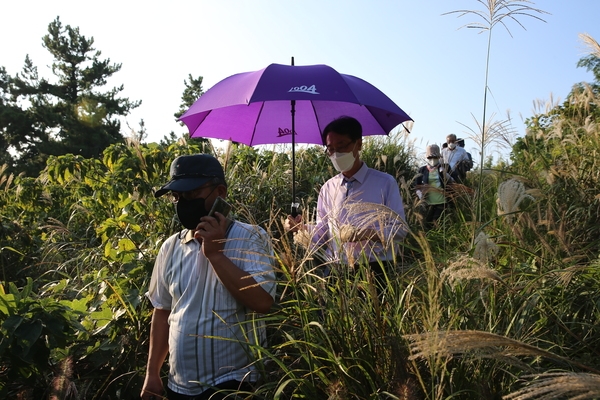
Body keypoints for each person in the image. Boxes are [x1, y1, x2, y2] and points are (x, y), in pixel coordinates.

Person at [141, 154, 276, 400]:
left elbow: (263, 302)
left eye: (191, 195)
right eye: (177, 197)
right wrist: (152, 373)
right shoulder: (171, 247)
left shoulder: (250, 237)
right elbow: (162, 312)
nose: (183, 203)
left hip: (234, 385)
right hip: (179, 385)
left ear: (220, 192)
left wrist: (215, 254)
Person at [285, 116, 408, 279]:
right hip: (335, 269)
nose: (336, 154)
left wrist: (367, 233)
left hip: (375, 269)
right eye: (330, 149)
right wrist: (302, 228)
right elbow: (324, 232)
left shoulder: (384, 183)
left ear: (358, 144)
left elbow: (400, 229)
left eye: (341, 146)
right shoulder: (328, 188)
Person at [414, 144, 455, 229]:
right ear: (427, 158)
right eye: (430, 158)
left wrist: (446, 175)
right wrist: (419, 194)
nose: (433, 160)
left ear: (439, 157)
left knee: (437, 222)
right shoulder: (422, 170)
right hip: (428, 201)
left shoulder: (445, 167)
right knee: (427, 224)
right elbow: (416, 185)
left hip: (442, 200)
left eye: (435, 157)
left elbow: (454, 181)